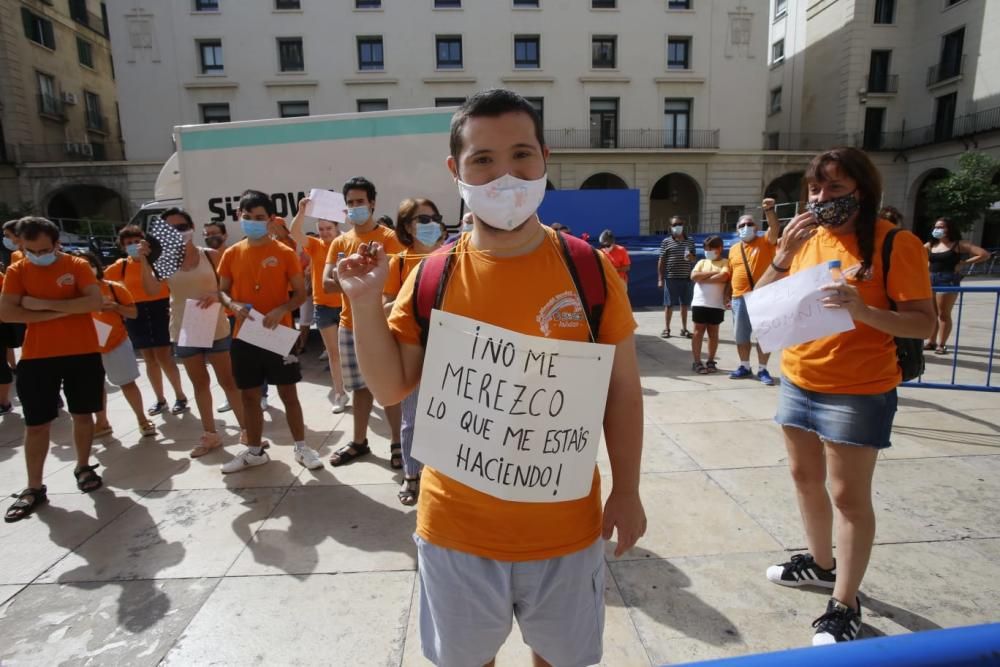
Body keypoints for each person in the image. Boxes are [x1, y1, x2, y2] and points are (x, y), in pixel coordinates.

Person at [337, 89, 645, 667]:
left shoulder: (587, 268)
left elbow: (622, 393)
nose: (505, 174)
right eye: (483, 159)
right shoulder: (432, 277)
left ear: (545, 160)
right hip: (456, 531)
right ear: (456, 170)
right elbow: (389, 389)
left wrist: (627, 489)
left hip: (567, 529)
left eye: (522, 155)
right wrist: (363, 299)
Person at [754, 147, 934, 645]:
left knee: (848, 497)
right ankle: (820, 563)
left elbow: (924, 321)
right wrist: (783, 255)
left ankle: (845, 602)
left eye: (835, 188)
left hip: (857, 390)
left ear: (863, 189)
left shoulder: (896, 244)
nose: (821, 198)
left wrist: (866, 311)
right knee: (803, 478)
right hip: (798, 377)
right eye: (815, 188)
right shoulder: (806, 237)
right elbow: (762, 301)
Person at [1, 217, 105, 522]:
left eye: (45, 249)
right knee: (36, 424)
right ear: (21, 245)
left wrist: (36, 306)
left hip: (82, 351)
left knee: (83, 414)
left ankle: (83, 465)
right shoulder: (16, 270)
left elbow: (93, 302)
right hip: (37, 356)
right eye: (31, 249)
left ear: (56, 243)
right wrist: (63, 308)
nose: (38, 255)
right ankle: (34, 486)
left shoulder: (77, 265)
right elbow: (7, 312)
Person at [217, 190, 318, 472]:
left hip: (278, 334)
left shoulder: (285, 253)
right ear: (240, 216)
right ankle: (254, 450)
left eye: (259, 218)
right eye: (247, 217)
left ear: (270, 219)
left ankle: (302, 447)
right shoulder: (231, 254)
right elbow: (222, 291)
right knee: (249, 396)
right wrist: (233, 304)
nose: (252, 222)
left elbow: (300, 293)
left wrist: (281, 309)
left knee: (288, 394)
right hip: (244, 336)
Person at [138, 207, 247, 457]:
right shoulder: (164, 261)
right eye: (170, 228)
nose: (178, 232)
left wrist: (216, 295)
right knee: (200, 384)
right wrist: (145, 260)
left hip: (216, 326)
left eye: (182, 227)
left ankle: (246, 430)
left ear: (192, 228)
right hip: (185, 328)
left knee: (228, 381)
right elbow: (151, 290)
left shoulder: (211, 256)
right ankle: (210, 434)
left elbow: (230, 288)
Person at [323, 177, 404, 468]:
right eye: (351, 203)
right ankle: (359, 442)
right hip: (349, 324)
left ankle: (398, 443)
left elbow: (401, 282)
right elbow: (326, 284)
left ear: (372, 203)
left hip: (384, 324)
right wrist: (359, 280)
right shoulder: (340, 242)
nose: (356, 207)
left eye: (360, 201)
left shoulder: (390, 239)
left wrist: (351, 277)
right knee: (360, 387)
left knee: (389, 387)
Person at [383, 197, 447, 505]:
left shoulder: (453, 257)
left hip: (450, 351)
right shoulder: (398, 262)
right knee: (413, 418)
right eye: (423, 219)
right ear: (407, 226)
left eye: (434, 218)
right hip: (412, 348)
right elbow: (384, 307)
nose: (431, 224)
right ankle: (412, 476)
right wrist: (413, 305)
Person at [73, 250, 157, 440]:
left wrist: (116, 307)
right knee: (95, 387)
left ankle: (142, 419)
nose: (86, 268)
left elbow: (133, 313)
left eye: (89, 264)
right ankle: (101, 423)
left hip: (116, 342)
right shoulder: (71, 294)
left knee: (127, 383)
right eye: (80, 265)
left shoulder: (113, 288)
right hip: (86, 346)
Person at [105, 225, 189, 417]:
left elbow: (174, 284)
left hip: (160, 309)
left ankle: (180, 396)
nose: (133, 245)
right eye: (128, 243)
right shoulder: (120, 266)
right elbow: (101, 282)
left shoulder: (157, 261)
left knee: (164, 357)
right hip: (137, 313)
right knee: (149, 359)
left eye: (136, 241)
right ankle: (160, 399)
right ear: (123, 246)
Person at [289, 196, 350, 412]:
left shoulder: (346, 243)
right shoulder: (315, 245)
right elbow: (294, 233)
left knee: (355, 352)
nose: (324, 233)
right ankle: (340, 394)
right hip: (323, 307)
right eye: (321, 229)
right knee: (334, 353)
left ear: (336, 228)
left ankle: (363, 391)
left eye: (328, 228)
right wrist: (301, 212)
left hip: (347, 305)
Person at [728, 202, 781, 385]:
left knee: (764, 335)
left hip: (763, 296)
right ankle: (744, 366)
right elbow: (731, 273)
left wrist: (769, 211)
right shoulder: (734, 249)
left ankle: (763, 369)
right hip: (739, 298)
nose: (746, 228)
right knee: (741, 335)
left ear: (756, 227)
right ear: (737, 230)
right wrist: (728, 296)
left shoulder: (765, 242)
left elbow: (775, 228)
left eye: (749, 224)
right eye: (741, 225)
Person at [924, 217, 990, 355]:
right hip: (930, 280)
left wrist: (964, 263)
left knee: (943, 314)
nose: (937, 229)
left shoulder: (958, 244)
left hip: (947, 280)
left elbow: (984, 254)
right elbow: (917, 254)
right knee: (932, 313)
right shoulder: (931, 245)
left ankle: (941, 344)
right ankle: (931, 341)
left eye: (941, 227)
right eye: (936, 227)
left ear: (949, 229)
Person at [689, 236, 729, 374]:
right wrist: (713, 272)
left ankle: (711, 361)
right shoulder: (701, 262)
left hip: (716, 304)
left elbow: (724, 277)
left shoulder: (725, 262)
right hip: (700, 302)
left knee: (713, 333)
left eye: (711, 249)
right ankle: (697, 361)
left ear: (719, 249)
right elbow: (693, 277)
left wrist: (703, 278)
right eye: (706, 249)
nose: (708, 251)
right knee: (697, 332)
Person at [657, 216, 696, 338]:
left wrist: (691, 257)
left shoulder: (690, 241)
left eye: (679, 224)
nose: (677, 226)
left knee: (685, 305)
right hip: (671, 278)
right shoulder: (666, 242)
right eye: (674, 224)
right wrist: (660, 279)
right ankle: (667, 328)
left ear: (683, 225)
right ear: (670, 227)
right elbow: (661, 261)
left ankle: (684, 329)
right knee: (669, 305)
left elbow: (694, 258)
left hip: (686, 278)